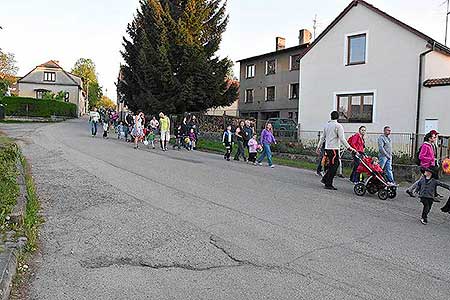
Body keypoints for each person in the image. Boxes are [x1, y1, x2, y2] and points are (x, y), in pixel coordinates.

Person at [316, 111, 356, 190]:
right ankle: (328, 184)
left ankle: (325, 179)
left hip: (327, 148)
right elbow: (342, 138)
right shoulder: (338, 126)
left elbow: (322, 137)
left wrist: (318, 147)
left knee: (332, 165)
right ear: (338, 117)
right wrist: (350, 148)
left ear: (331, 116)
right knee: (334, 166)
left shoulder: (326, 125)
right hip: (334, 149)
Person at [406, 132, 439, 199]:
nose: (435, 138)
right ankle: (417, 191)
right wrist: (431, 159)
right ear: (429, 138)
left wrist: (433, 159)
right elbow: (421, 157)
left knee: (422, 179)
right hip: (426, 166)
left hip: (429, 165)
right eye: (433, 137)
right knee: (426, 179)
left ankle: (411, 190)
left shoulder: (430, 145)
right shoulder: (425, 146)